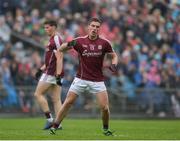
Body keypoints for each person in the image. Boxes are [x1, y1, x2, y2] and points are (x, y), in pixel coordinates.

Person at [50, 17, 118, 136]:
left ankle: (105, 129)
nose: (95, 29)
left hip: (97, 80)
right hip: (81, 79)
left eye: (97, 27)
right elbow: (62, 48)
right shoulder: (79, 41)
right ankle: (55, 126)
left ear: (99, 29)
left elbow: (114, 56)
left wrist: (113, 65)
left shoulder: (105, 43)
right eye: (93, 26)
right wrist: (61, 50)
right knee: (67, 103)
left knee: (105, 108)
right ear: (88, 27)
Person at [34, 20, 64, 130]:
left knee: (38, 94)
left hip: (52, 72)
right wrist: (40, 69)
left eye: (47, 27)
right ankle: (58, 124)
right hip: (52, 71)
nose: (46, 29)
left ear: (54, 27)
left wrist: (58, 74)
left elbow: (60, 56)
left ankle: (50, 120)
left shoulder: (56, 38)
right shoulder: (51, 39)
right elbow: (49, 60)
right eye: (45, 28)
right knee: (56, 99)